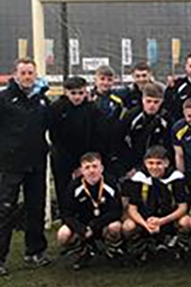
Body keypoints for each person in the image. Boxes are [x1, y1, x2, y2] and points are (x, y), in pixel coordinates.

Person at [0, 58, 51, 275]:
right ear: (16, 74)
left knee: (36, 208)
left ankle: (35, 251)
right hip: (10, 164)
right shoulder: (4, 98)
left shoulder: (42, 100)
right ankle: (0, 258)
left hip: (37, 163)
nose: (27, 76)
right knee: (5, 209)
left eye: (31, 73)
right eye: (23, 73)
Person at [121, 146, 190, 262]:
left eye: (159, 163)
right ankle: (142, 249)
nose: (154, 167)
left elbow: (183, 207)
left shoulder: (176, 177)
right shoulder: (138, 178)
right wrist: (145, 224)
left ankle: (180, 248)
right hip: (146, 220)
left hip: (169, 219)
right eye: (150, 163)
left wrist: (162, 221)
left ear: (166, 163)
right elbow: (132, 209)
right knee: (128, 226)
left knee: (188, 221)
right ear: (145, 163)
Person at [57, 153, 123, 270]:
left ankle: (112, 250)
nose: (91, 171)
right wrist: (81, 229)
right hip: (82, 226)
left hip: (103, 224)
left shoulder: (111, 183)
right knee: (63, 235)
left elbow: (116, 211)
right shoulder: (74, 186)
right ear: (81, 170)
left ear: (101, 168)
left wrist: (95, 226)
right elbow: (67, 213)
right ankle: (84, 251)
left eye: (95, 166)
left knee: (116, 227)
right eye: (87, 167)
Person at [50, 76, 107, 208]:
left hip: (86, 156)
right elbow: (55, 137)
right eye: (73, 93)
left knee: (87, 188)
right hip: (62, 156)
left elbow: (98, 136)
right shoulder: (57, 108)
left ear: (86, 92)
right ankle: (66, 218)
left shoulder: (92, 109)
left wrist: (83, 164)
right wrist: (69, 162)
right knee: (63, 189)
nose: (77, 97)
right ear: (65, 92)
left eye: (80, 93)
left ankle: (85, 218)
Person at [117, 82, 173, 176]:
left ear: (162, 101)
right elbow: (120, 141)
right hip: (133, 163)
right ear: (142, 100)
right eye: (148, 101)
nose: (152, 105)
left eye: (156, 102)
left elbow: (169, 145)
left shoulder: (166, 119)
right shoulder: (131, 116)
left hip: (157, 165)